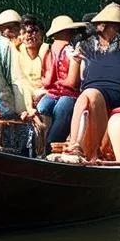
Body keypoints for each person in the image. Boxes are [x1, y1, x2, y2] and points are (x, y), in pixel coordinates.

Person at [64, 3, 120, 163]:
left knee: (117, 122)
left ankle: (113, 162)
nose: (111, 31)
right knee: (88, 95)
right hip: (97, 109)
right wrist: (75, 60)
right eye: (106, 26)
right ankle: (75, 146)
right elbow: (76, 83)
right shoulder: (88, 51)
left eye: (116, 27)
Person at [34, 15, 86, 148]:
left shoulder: (69, 52)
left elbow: (68, 82)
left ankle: (47, 145)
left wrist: (56, 83)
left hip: (66, 94)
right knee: (43, 108)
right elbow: (64, 82)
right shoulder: (52, 52)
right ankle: (43, 146)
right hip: (58, 93)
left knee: (60, 106)